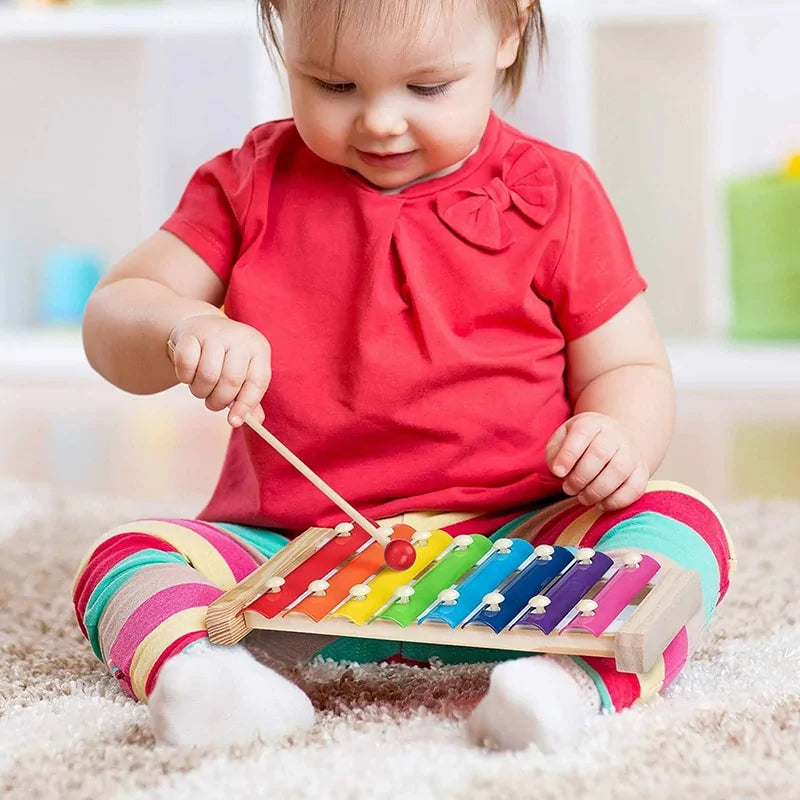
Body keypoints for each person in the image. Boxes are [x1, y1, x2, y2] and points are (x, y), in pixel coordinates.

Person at [76, 0, 735, 751]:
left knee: (684, 528)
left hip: (515, 552)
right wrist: (182, 325)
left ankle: (565, 688)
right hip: (292, 559)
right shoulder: (249, 182)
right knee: (128, 557)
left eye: (426, 89)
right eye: (333, 85)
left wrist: (617, 437)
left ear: (509, 33)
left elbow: (627, 364)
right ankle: (207, 681)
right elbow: (115, 312)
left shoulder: (558, 192)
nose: (380, 121)